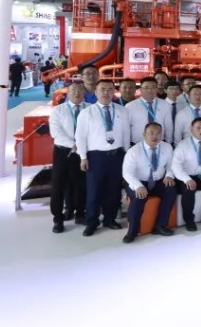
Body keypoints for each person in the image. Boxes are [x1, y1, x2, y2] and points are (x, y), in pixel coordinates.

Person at [75, 79, 130, 237]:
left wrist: (126, 155)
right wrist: (83, 157)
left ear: (114, 92)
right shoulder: (87, 113)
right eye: (102, 89)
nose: (106, 92)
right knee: (94, 191)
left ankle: (109, 219)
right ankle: (91, 222)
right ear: (96, 92)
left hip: (117, 155)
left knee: (113, 191)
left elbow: (126, 134)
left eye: (109, 89)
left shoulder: (122, 111)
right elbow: (80, 137)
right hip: (96, 157)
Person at [119, 122, 177, 244]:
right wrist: (138, 186)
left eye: (158, 133)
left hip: (158, 181)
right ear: (144, 134)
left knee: (170, 191)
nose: (155, 136)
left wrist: (169, 176)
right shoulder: (134, 151)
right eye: (151, 133)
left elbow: (171, 166)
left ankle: (160, 226)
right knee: (139, 197)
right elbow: (127, 172)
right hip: (138, 181)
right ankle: (132, 232)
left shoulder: (167, 147)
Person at [49, 82, 88, 233]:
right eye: (73, 90)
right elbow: (56, 132)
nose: (76, 93)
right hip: (63, 152)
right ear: (68, 93)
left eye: (80, 90)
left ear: (84, 92)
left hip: (84, 152)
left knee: (81, 184)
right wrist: (74, 144)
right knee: (58, 186)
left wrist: (82, 146)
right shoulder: (58, 110)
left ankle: (80, 213)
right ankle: (58, 219)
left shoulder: (91, 108)